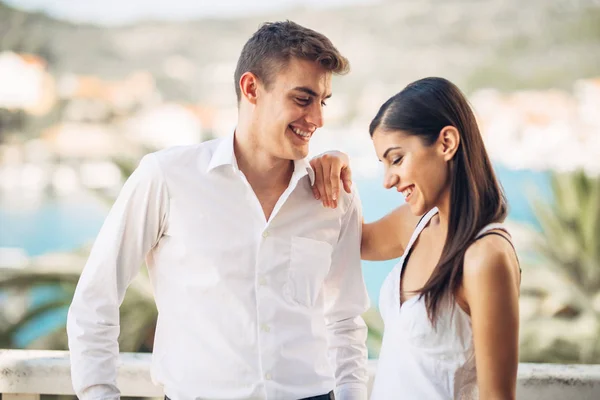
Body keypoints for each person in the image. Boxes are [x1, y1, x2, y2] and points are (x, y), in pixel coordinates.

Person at [67, 21, 370, 400]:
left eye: (322, 101)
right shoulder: (166, 177)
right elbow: (96, 301)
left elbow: (344, 319)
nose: (318, 119)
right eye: (303, 98)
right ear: (251, 88)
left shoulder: (333, 193)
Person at [310, 77, 521, 399]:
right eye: (383, 163)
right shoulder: (417, 224)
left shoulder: (485, 255)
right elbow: (344, 239)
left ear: (447, 143)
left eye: (396, 159)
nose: (387, 180)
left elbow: (498, 396)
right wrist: (334, 164)